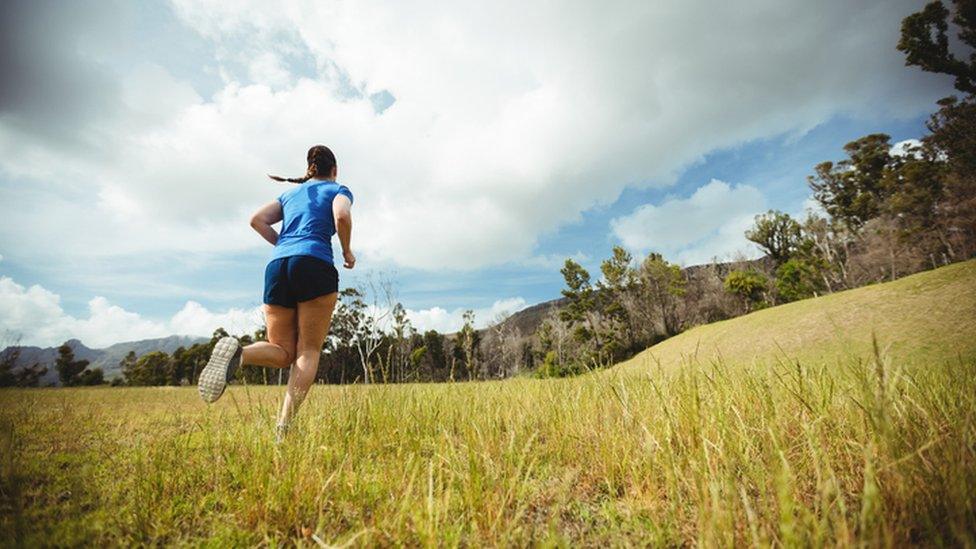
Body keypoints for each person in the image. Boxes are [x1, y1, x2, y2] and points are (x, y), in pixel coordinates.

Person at [197, 144, 355, 442]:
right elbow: (342, 218)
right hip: (315, 263)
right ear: (334, 170)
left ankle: (239, 354)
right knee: (308, 351)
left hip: (277, 265)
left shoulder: (289, 194)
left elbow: (256, 220)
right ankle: (283, 429)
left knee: (282, 351)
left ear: (310, 170)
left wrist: (284, 244)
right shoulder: (338, 190)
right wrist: (347, 251)